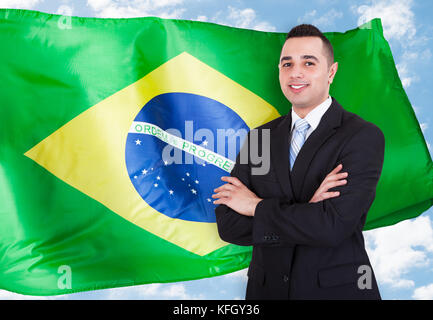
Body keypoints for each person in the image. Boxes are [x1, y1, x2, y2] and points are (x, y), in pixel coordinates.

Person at [213, 24, 385, 300]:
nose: (295, 73)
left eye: (308, 62)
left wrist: (255, 207)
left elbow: (333, 227)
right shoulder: (260, 139)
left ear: (331, 72)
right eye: (287, 64)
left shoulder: (361, 136)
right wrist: (308, 212)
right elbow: (229, 225)